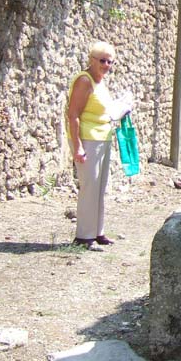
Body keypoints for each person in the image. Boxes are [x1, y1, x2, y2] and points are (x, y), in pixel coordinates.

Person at [66, 40, 128, 250]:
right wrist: (78, 146)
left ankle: (97, 232)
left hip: (103, 137)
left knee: (100, 188)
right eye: (102, 61)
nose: (106, 65)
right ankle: (84, 236)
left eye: (110, 62)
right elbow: (73, 114)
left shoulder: (100, 81)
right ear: (92, 60)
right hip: (88, 138)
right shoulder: (84, 81)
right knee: (89, 187)